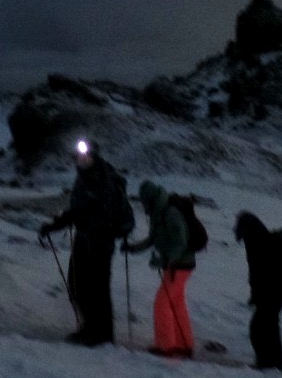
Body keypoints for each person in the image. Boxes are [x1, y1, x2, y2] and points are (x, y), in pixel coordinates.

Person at [39, 139, 133, 346]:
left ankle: (102, 334)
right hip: (84, 240)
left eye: (85, 156)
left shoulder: (104, 180)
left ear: (94, 157)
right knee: (77, 285)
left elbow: (104, 215)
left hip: (100, 244)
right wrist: (55, 225)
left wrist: (91, 229)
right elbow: (77, 210)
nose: (81, 160)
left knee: (97, 289)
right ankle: (90, 327)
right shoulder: (83, 179)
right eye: (78, 157)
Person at [125, 181, 196, 357]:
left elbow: (181, 242)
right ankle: (184, 345)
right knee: (176, 303)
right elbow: (153, 239)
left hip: (179, 265)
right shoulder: (158, 213)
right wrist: (133, 248)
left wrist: (165, 260)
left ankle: (166, 347)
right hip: (176, 265)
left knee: (162, 303)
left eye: (144, 201)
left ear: (151, 199)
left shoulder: (170, 213)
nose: (143, 205)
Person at [234, 212, 282, 371]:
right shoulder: (255, 242)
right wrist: (256, 294)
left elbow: (266, 273)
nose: (243, 239)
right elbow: (257, 275)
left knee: (260, 328)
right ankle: (272, 364)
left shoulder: (264, 244)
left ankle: (268, 364)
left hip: (274, 292)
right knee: (267, 327)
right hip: (271, 292)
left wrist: (262, 293)